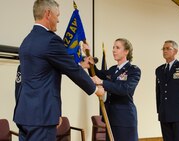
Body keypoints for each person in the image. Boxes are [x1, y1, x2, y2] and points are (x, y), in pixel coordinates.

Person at [13, 0, 104, 141]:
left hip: (24, 114)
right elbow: (72, 70)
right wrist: (95, 89)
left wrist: (81, 65)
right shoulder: (50, 40)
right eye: (57, 15)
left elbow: (45, 69)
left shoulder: (26, 41)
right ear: (48, 14)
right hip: (42, 116)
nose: (59, 20)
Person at [91, 38, 141, 141]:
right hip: (110, 117)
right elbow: (96, 74)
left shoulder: (133, 70)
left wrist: (102, 82)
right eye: (113, 47)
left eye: (117, 47)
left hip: (124, 118)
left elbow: (124, 89)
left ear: (126, 51)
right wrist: (90, 64)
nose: (113, 50)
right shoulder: (112, 70)